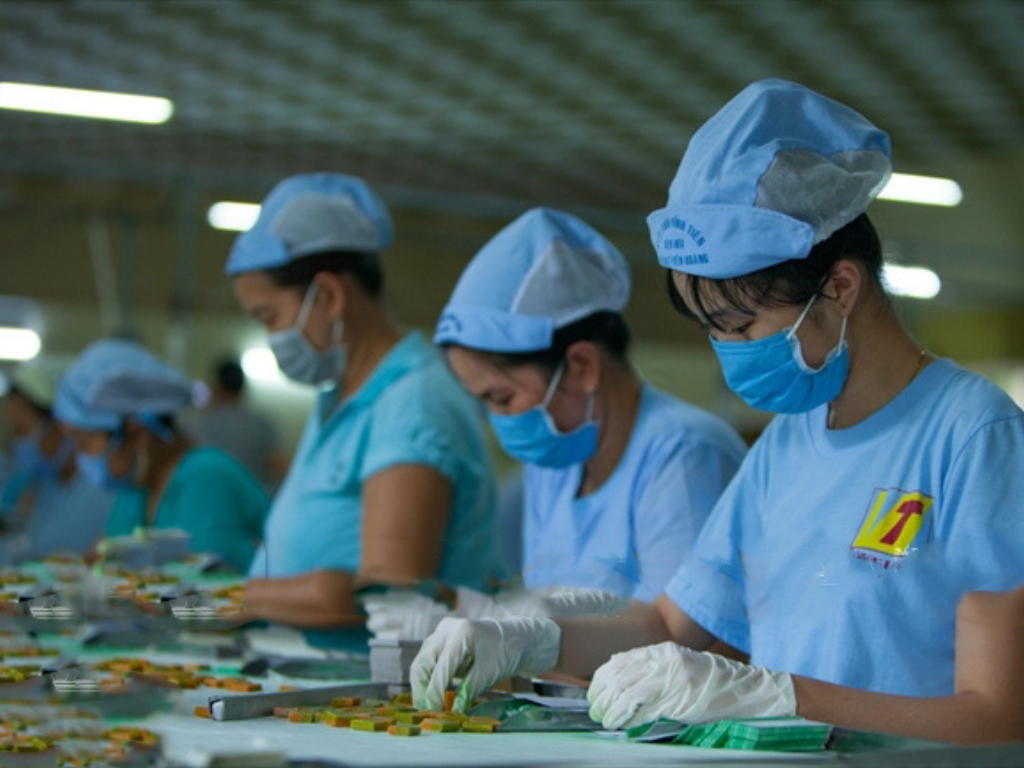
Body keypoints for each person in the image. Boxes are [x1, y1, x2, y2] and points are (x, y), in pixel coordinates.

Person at [410, 79, 1024, 744]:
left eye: (739, 326)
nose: (727, 352)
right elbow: (672, 626)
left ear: (840, 287)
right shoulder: (788, 444)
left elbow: (999, 716)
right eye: (712, 330)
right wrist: (530, 640)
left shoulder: (975, 437)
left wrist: (783, 697)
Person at [225, 172, 500, 650]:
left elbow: (389, 593)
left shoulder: (412, 403)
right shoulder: (342, 396)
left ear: (328, 296)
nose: (272, 337)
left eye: (270, 317)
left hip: (377, 680)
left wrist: (231, 599)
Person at [433, 207, 746, 607]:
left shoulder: (686, 456)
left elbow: (687, 633)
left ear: (582, 366)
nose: (498, 420)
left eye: (503, 398)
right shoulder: (555, 466)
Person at [54, 339, 270, 573]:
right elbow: (103, 558)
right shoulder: (137, 489)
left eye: (83, 443)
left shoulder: (206, 478)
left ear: (138, 434)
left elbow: (203, 585)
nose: (81, 458)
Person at [0, 365, 113, 560]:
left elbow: (59, 553)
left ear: (61, 427)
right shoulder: (48, 485)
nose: (25, 444)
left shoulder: (99, 489)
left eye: (25, 431)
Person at [183, 358, 287, 490]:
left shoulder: (196, 426)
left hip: (206, 497)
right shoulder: (261, 426)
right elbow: (281, 468)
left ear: (215, 387)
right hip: (250, 499)